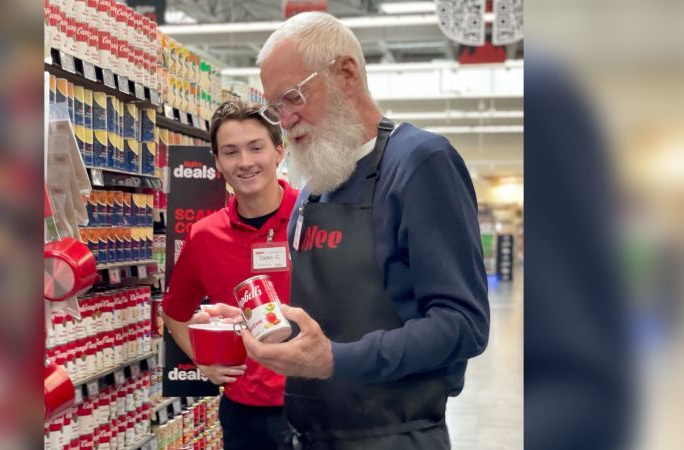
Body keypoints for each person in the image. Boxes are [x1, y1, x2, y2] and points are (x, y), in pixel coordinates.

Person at [223, 12, 490, 449]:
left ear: (345, 74)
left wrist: (335, 359)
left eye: (292, 98)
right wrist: (253, 322)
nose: (284, 121)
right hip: (310, 435)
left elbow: (463, 324)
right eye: (276, 108)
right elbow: (325, 323)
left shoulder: (419, 164)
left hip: (393, 436)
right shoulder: (315, 191)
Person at [161, 99, 297, 450]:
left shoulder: (314, 215)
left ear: (279, 151)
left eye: (256, 148)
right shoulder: (205, 235)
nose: (246, 162)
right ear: (218, 163)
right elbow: (175, 310)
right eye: (231, 152)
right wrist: (203, 360)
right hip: (244, 413)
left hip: (320, 406)